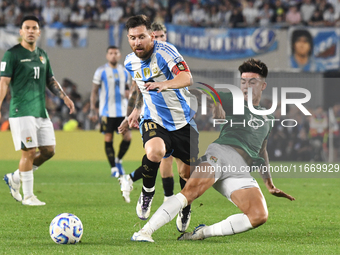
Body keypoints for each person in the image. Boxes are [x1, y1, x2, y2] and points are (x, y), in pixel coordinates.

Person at [130, 58, 295, 242]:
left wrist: (270, 185)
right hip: (221, 155)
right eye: (243, 81)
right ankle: (144, 232)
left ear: (263, 85)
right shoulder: (234, 99)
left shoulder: (268, 117)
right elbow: (203, 88)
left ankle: (202, 233)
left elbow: (262, 151)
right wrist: (216, 103)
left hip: (240, 171)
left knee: (259, 215)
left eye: (252, 82)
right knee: (190, 193)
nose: (246, 86)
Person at [120, 15, 199, 232]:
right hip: (154, 119)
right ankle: (147, 193)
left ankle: (185, 207)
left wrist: (164, 84)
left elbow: (186, 78)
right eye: (132, 38)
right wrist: (137, 109)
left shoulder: (166, 52)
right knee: (155, 152)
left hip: (183, 121)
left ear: (152, 36)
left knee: (186, 174)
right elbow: (139, 86)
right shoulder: (129, 62)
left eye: (142, 37)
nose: (137, 42)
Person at [0, 15, 75, 206]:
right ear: (21, 32)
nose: (31, 31)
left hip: (40, 111)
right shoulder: (12, 54)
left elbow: (50, 79)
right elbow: (3, 83)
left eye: (34, 28)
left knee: (49, 151)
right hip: (21, 110)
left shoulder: (42, 55)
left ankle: (15, 177)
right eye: (27, 28)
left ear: (39, 32)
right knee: (29, 152)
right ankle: (28, 196)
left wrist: (64, 97)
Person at [89, 46, 132, 177]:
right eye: (111, 53)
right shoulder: (101, 71)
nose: (113, 55)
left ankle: (118, 160)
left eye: (116, 53)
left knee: (128, 137)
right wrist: (92, 109)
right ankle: (113, 168)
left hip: (123, 111)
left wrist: (129, 94)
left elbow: (129, 90)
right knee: (109, 138)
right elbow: (94, 91)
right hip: (106, 112)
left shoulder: (124, 71)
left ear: (119, 55)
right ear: (107, 55)